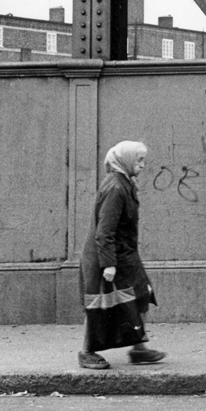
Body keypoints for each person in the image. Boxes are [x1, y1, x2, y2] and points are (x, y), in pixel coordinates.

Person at [78, 140, 166, 369]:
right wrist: (108, 264)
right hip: (106, 255)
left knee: (142, 293)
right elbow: (104, 231)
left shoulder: (125, 183)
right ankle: (86, 352)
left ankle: (139, 348)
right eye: (139, 160)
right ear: (125, 160)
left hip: (124, 253)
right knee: (98, 304)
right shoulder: (116, 188)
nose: (143, 165)